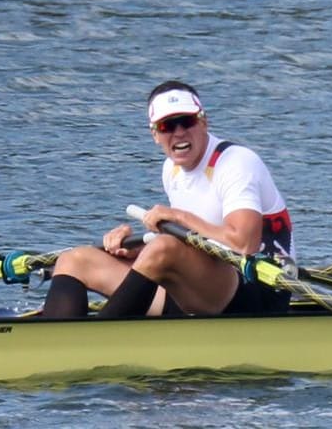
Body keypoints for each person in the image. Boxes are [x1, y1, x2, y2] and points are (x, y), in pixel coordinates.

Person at [39, 81, 294, 318]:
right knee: (75, 259)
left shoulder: (235, 163)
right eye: (167, 126)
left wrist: (177, 217)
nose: (179, 133)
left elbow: (243, 244)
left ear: (203, 122)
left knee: (163, 248)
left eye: (187, 122)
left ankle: (95, 340)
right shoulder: (170, 170)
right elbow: (193, 246)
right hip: (205, 287)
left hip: (260, 289)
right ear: (155, 135)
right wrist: (132, 250)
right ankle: (52, 343)